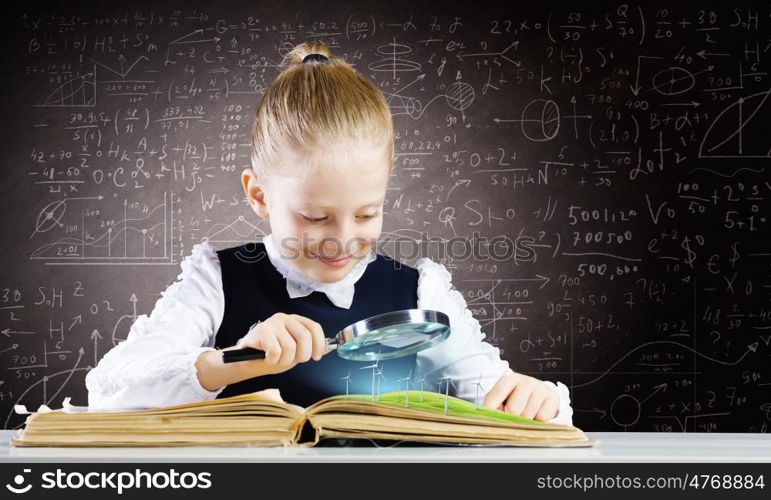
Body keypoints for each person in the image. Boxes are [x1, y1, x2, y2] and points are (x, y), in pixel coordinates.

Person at [85, 41, 574, 427]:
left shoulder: (419, 292)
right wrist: (229, 362)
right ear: (259, 196)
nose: (341, 240)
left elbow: (499, 399)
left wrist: (536, 400)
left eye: (366, 215)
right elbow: (108, 392)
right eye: (314, 218)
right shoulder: (216, 279)